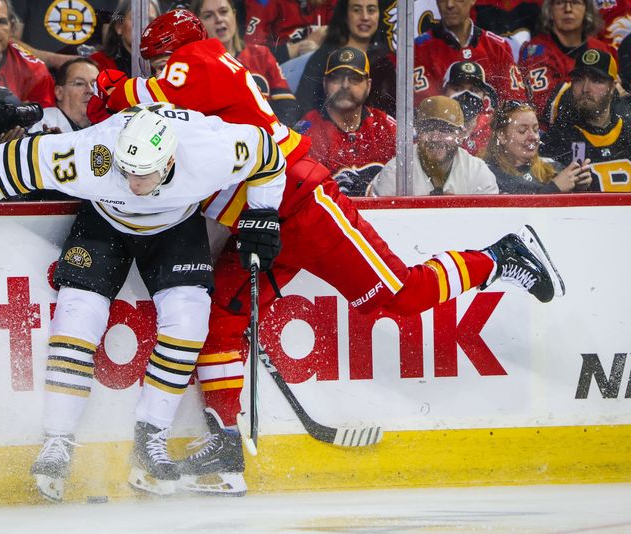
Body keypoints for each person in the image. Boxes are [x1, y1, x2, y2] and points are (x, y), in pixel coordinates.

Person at [96, 10, 564, 497]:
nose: (153, 71)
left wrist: (105, 84)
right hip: (266, 217)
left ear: (173, 50)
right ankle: (226, 448)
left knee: (398, 295)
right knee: (221, 315)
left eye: (155, 61)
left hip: (303, 205)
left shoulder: (197, 58)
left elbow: (136, 98)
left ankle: (501, 257)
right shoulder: (204, 69)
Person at [0, 103, 287, 501]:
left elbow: (269, 155)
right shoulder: (91, 155)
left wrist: (264, 213)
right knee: (77, 314)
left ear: (167, 162)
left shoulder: (209, 150)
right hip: (104, 220)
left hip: (176, 224)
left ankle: (152, 439)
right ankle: (57, 441)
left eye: (143, 173)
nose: (132, 181)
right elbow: (3, 164)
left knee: (190, 319)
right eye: (126, 170)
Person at [299, 47, 396, 196]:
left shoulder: (387, 127)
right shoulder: (305, 135)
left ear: (368, 85)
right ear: (325, 84)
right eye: (337, 78)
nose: (345, 85)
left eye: (355, 78)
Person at [191, 0, 301, 126]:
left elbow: (287, 106)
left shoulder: (261, 54)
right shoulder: (197, 68)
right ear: (198, 25)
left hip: (271, 137)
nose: (218, 19)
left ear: (234, 14)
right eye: (208, 16)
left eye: (223, 12)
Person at [541, 48, 631, 192]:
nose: (585, 88)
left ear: (613, 86)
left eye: (596, 80)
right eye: (578, 80)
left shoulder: (627, 132)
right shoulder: (556, 141)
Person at [369, 96, 499, 195]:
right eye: (428, 128)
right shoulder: (397, 171)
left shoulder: (477, 172)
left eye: (445, 130)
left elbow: (489, 223)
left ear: (460, 135)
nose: (436, 138)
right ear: (418, 131)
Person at [413, 0, 527, 106]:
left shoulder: (498, 47)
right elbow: (427, 107)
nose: (449, 5)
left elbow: (513, 103)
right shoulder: (420, 48)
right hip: (442, 126)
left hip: (492, 126)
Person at [294, 0, 396, 117]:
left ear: (379, 15)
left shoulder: (383, 61)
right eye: (356, 10)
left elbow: (393, 110)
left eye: (371, 10)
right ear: (345, 15)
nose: (365, 17)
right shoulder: (325, 56)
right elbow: (304, 106)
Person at [518, 0, 610, 129]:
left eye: (575, 2)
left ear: (586, 9)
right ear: (549, 10)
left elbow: (616, 92)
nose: (568, 9)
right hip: (552, 134)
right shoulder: (535, 51)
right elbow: (546, 106)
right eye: (560, 3)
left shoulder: (600, 48)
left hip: (598, 129)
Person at [482, 100, 593, 193]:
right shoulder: (485, 173)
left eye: (535, 130)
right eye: (522, 131)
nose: (533, 137)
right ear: (502, 136)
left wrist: (579, 190)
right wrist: (554, 189)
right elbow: (509, 216)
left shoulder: (554, 168)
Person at [12, 0, 104, 70]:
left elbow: (113, 45)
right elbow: (8, 42)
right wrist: (52, 60)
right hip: (37, 73)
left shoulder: (113, 5)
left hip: (94, 75)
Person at [244, 0, 334, 63]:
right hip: (280, 69)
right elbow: (251, 55)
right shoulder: (263, 2)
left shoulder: (329, 3)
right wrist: (297, 48)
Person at [90, 0, 161, 77]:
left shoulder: (167, 63)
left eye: (150, 20)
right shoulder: (99, 62)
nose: (144, 26)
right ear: (119, 26)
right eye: (136, 19)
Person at [28, 57, 100, 133]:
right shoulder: (43, 122)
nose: (91, 90)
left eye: (95, 85)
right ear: (59, 92)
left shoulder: (107, 128)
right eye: (79, 83)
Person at [441, 60, 495, 156]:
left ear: (484, 96)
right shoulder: (432, 128)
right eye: (457, 89)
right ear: (444, 93)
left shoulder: (493, 129)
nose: (466, 95)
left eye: (473, 90)